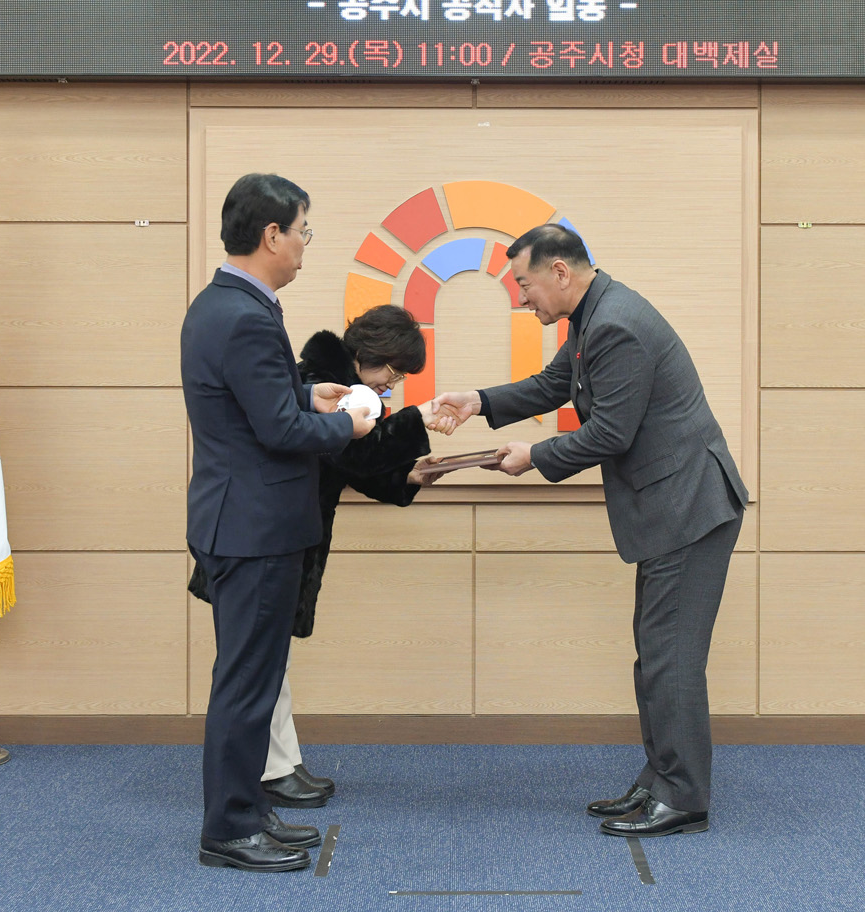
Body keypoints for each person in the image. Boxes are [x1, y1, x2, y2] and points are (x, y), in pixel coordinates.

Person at [431, 223, 748, 838]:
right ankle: (661, 779)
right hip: (673, 506)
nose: (522, 297)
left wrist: (535, 457)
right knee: (656, 656)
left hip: (689, 508)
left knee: (671, 659)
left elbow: (611, 433)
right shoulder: (592, 315)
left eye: (524, 284)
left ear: (559, 272)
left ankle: (683, 796)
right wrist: (479, 401)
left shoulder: (615, 324)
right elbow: (556, 385)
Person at [181, 173, 375, 873]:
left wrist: (306, 391)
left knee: (250, 681)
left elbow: (257, 401)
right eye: (302, 232)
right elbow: (279, 431)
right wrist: (347, 424)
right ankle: (230, 830)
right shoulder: (245, 315)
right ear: (271, 236)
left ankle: (248, 812)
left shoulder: (223, 304)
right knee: (245, 685)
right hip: (255, 529)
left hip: (241, 522)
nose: (303, 245)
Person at [188, 303, 447, 810]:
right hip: (260, 538)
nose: (391, 386)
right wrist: (417, 420)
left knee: (268, 662)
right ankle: (265, 774)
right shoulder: (315, 384)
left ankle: (278, 765)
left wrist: (409, 476)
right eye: (394, 373)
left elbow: (347, 466)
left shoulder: (330, 386)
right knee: (258, 665)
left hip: (282, 538)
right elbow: (352, 451)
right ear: (371, 355)